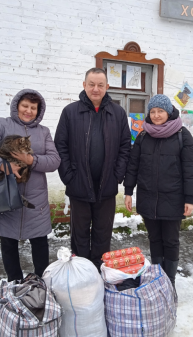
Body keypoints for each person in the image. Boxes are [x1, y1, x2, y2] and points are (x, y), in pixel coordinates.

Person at [0, 89, 60, 281]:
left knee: (40, 245)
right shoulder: (3, 125)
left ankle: (40, 284)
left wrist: (30, 160)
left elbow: (54, 161)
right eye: (25, 106)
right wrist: (3, 165)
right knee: (8, 244)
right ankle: (14, 284)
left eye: (33, 108)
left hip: (35, 201)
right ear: (16, 106)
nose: (28, 111)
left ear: (39, 111)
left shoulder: (44, 132)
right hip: (6, 195)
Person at [54, 68, 132, 268]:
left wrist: (117, 175)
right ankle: (81, 272)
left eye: (100, 85)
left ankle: (98, 273)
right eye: (91, 84)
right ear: (84, 85)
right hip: (79, 185)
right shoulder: (71, 112)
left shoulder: (118, 113)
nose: (95, 89)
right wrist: (68, 177)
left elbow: (125, 146)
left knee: (102, 233)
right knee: (79, 234)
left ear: (107, 87)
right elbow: (60, 146)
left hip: (106, 186)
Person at [123, 94, 193, 289]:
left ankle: (170, 282)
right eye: (153, 111)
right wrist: (129, 191)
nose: (156, 115)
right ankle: (158, 279)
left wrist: (190, 198)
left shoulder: (182, 135)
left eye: (161, 111)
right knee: (154, 238)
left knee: (171, 241)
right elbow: (133, 165)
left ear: (169, 112)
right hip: (148, 197)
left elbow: (191, 169)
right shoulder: (143, 136)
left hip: (173, 198)